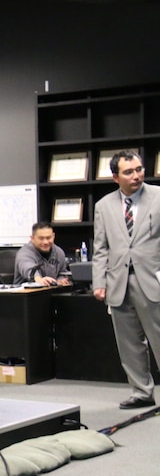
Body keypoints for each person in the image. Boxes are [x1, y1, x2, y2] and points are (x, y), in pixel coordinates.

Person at [92, 149, 160, 410]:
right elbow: (100, 248)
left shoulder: (157, 197)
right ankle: (141, 392)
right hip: (119, 282)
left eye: (139, 169)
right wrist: (99, 281)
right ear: (115, 177)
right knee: (129, 342)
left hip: (153, 280)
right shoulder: (103, 206)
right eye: (129, 172)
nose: (136, 176)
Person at [14, 221, 70, 286]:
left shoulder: (58, 252)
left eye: (48, 238)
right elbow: (27, 268)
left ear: (53, 236)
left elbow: (62, 273)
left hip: (50, 292)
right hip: (26, 293)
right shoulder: (24, 253)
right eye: (41, 238)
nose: (45, 242)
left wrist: (61, 280)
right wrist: (38, 279)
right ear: (32, 238)